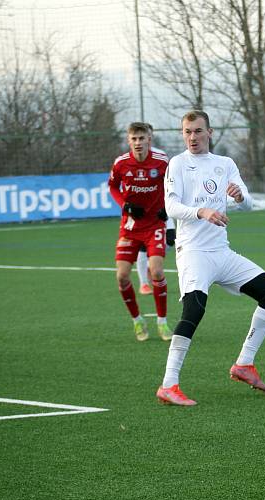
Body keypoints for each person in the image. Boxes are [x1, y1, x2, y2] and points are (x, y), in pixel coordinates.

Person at [156, 110, 265, 406]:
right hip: (193, 253)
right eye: (187, 132)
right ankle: (168, 385)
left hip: (221, 253)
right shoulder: (177, 164)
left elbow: (248, 205)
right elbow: (171, 206)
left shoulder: (224, 164)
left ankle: (244, 364)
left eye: (198, 131)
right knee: (194, 311)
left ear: (209, 132)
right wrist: (201, 211)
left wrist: (240, 197)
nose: (192, 137)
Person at [108, 122, 173, 342]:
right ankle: (137, 320)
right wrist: (125, 206)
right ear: (129, 141)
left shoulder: (162, 162)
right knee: (122, 276)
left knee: (156, 272)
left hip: (155, 224)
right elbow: (113, 187)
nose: (138, 143)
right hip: (130, 226)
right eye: (134, 139)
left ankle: (162, 322)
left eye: (141, 138)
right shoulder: (121, 164)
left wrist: (168, 208)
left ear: (149, 140)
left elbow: (174, 185)